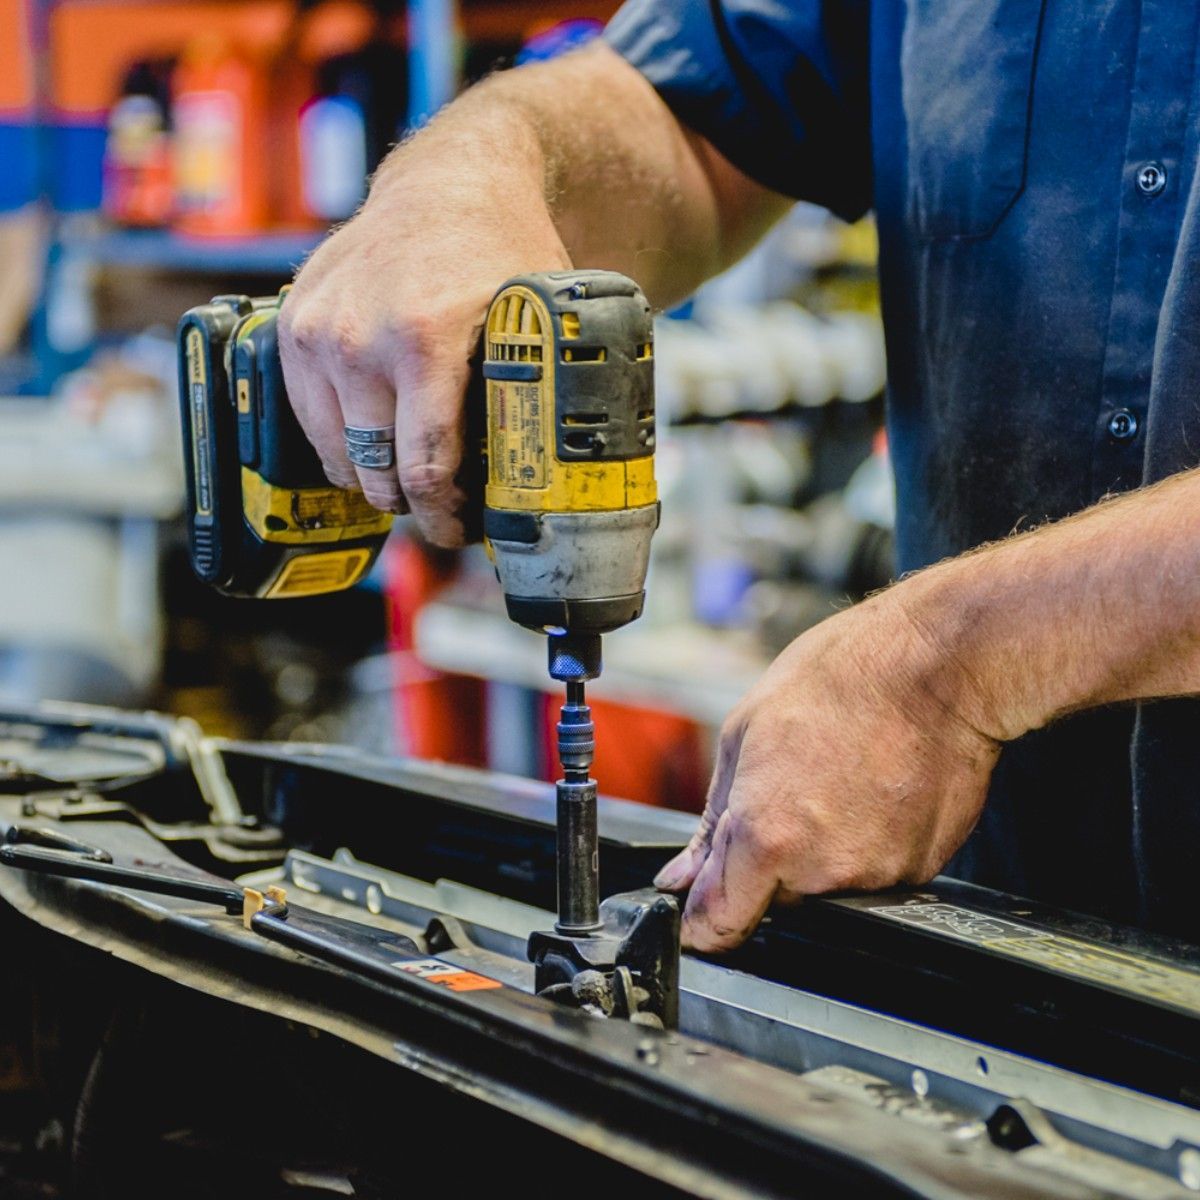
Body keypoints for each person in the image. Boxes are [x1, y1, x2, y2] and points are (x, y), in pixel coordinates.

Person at [278, 1, 1200, 952]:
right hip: (996, 924)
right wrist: (467, 179)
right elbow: (689, 111)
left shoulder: (944, 668)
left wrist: (954, 664)